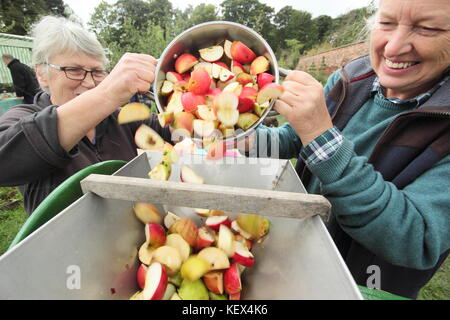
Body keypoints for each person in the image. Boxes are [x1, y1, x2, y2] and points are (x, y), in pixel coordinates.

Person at [246, 0, 449, 299]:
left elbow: (415, 238)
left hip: (361, 286)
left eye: (427, 28)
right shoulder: (353, 79)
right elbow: (293, 139)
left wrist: (319, 134)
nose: (393, 47)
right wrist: (244, 138)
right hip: (294, 255)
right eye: (387, 23)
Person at [0, 16, 171, 215]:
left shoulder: (120, 119)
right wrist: (106, 94)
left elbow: (175, 129)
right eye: (74, 70)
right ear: (42, 74)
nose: (90, 83)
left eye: (97, 72)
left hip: (130, 238)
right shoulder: (24, 115)